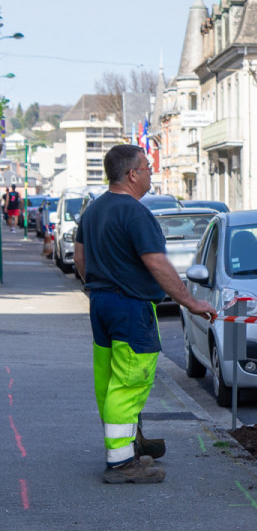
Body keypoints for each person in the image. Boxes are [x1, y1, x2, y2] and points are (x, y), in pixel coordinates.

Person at [75, 144, 218, 483]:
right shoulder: (136, 213)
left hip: (102, 305)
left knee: (110, 381)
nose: (152, 171)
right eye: (147, 166)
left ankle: (130, 443)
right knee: (130, 381)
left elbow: (80, 258)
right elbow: (157, 264)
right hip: (131, 307)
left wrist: (99, 287)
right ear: (132, 174)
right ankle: (122, 463)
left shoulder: (93, 211)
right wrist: (191, 302)